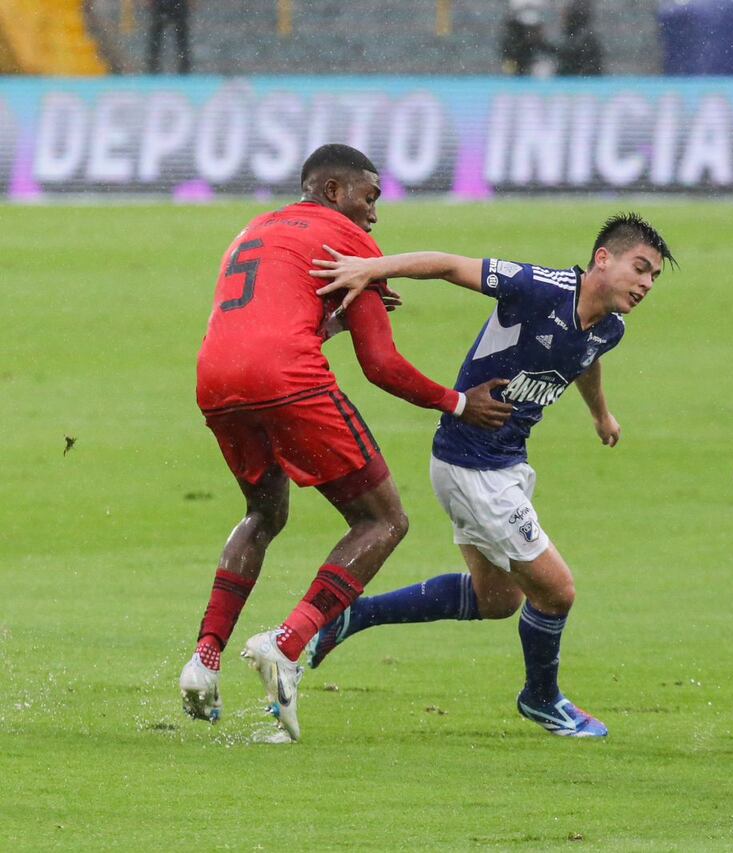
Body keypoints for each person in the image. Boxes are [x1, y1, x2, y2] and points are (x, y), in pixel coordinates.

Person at [179, 143, 512, 742]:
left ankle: (203, 659)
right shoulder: (346, 238)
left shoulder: (256, 227)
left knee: (263, 512)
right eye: (370, 196)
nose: (375, 214)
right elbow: (381, 364)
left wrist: (328, 320)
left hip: (215, 377)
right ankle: (287, 644)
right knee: (383, 520)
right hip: (286, 378)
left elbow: (269, 321)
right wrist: (460, 403)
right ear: (333, 191)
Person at [303, 213, 675, 738]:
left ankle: (350, 616)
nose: (646, 284)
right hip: (471, 467)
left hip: (505, 465)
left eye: (654, 277)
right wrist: (372, 268)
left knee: (498, 601)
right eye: (640, 268)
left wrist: (600, 415)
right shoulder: (538, 288)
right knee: (558, 591)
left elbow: (586, 357)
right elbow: (451, 266)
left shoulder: (609, 327)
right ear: (603, 259)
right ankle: (542, 699)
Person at [557, 0, 604, 76]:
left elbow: (570, 58)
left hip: (579, 79)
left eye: (565, 16)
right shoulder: (572, 36)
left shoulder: (583, 38)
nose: (562, 19)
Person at [147, 0, 192, 75]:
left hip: (176, 4)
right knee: (157, 34)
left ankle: (184, 65)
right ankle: (153, 64)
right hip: (162, 4)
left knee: (181, 34)